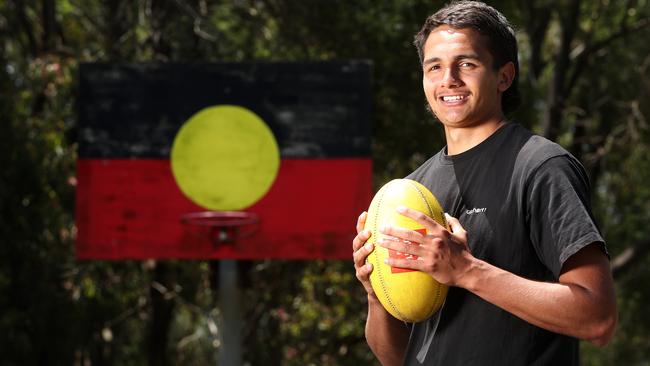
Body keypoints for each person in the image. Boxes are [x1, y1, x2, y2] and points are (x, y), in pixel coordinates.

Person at [351, 1, 617, 365]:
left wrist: (466, 270)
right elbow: (398, 358)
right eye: (435, 67)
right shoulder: (412, 190)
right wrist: (375, 293)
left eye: (467, 64)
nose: (449, 79)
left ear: (504, 76)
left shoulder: (540, 167)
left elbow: (597, 318)